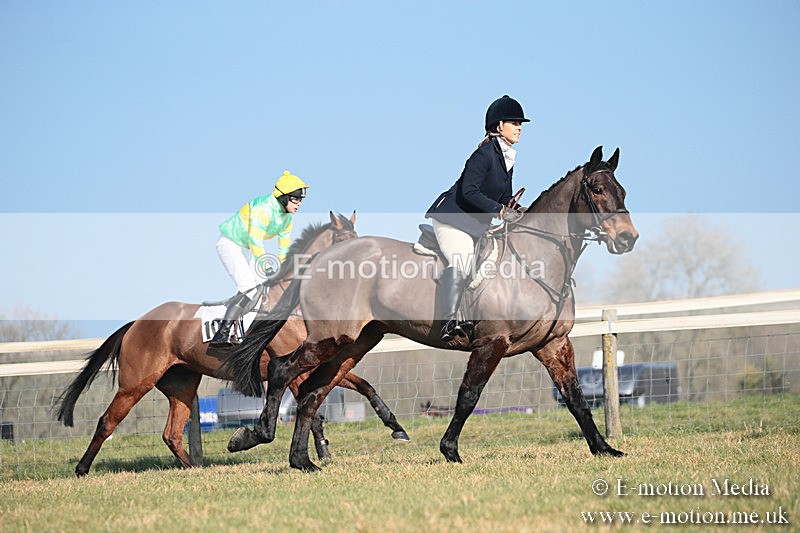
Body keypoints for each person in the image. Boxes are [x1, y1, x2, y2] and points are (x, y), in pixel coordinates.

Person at [425, 95, 529, 342]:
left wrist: (518, 209)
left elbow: (504, 197)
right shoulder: (484, 154)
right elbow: (469, 192)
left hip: (474, 225)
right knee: (462, 260)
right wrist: (499, 211)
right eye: (514, 123)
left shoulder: (506, 158)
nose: (519, 128)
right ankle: (448, 322)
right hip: (452, 219)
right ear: (499, 126)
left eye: (520, 124)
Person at [209, 170, 310, 347]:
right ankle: (221, 333)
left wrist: (283, 270)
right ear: (283, 197)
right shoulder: (263, 209)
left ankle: (244, 332)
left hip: (246, 249)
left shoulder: (287, 219)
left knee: (264, 286)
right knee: (248, 287)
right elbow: (255, 240)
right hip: (230, 244)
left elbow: (283, 249)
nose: (299, 204)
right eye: (296, 199)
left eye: (301, 200)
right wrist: (266, 266)